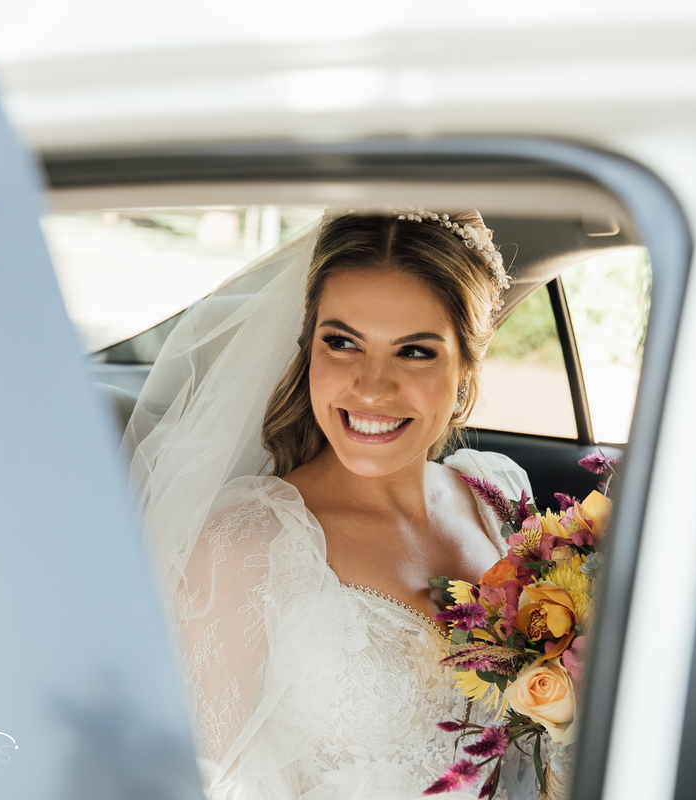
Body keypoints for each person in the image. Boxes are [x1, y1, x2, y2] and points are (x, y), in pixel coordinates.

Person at [124, 209, 533, 800]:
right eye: (342, 343)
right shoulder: (245, 546)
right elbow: (196, 783)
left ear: (466, 364)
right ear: (308, 348)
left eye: (415, 352)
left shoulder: (500, 499)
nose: (371, 387)